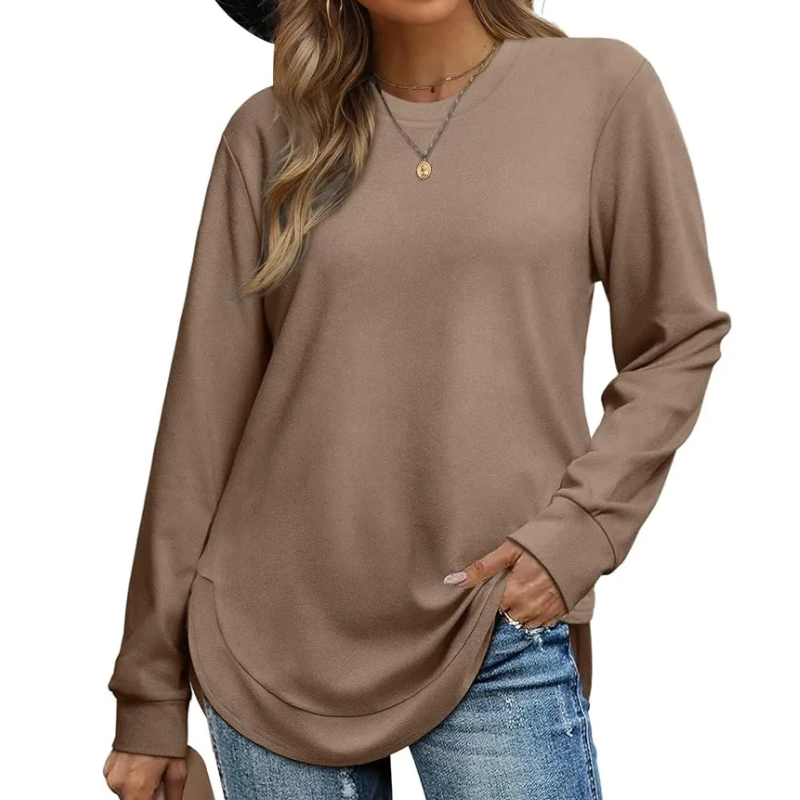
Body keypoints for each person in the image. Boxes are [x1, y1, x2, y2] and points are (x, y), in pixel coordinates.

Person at [102, 0, 732, 797]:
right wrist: (149, 694)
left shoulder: (602, 90)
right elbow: (200, 423)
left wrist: (578, 533)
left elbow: (677, 340)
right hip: (273, 642)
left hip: (492, 619)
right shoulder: (266, 134)